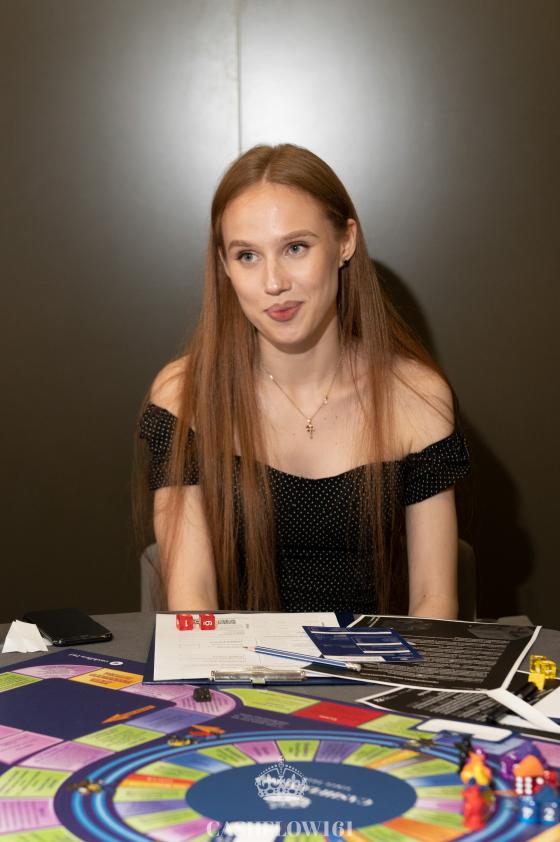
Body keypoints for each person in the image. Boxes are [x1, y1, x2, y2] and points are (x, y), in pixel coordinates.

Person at [138, 143, 469, 617]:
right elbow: (193, 599)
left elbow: (433, 603)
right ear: (224, 265)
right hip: (234, 663)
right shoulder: (183, 395)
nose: (274, 283)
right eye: (247, 256)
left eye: (295, 248)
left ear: (345, 242)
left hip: (378, 661)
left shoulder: (417, 395)